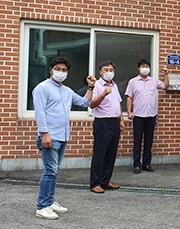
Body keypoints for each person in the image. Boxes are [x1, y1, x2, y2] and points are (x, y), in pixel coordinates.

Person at [33, 57, 96, 219]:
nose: (61, 72)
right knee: (50, 171)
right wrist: (44, 133)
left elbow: (84, 102)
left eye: (64, 70)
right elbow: (40, 113)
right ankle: (42, 206)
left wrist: (90, 87)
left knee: (54, 171)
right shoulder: (42, 88)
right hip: (49, 136)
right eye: (58, 69)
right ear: (51, 70)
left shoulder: (66, 91)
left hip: (62, 136)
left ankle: (49, 201)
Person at [125, 59, 170, 174]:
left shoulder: (154, 81)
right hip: (138, 115)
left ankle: (146, 164)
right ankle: (136, 164)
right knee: (137, 141)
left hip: (151, 115)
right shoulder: (133, 82)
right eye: (142, 66)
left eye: (147, 66)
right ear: (138, 68)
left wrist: (166, 74)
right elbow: (129, 97)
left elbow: (165, 86)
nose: (145, 68)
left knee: (149, 141)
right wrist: (129, 112)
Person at [89, 61, 125, 193]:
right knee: (100, 153)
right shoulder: (97, 85)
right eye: (106, 69)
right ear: (100, 72)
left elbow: (118, 103)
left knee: (111, 153)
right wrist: (103, 93)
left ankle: (105, 181)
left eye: (111, 69)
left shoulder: (114, 85)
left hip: (114, 122)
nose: (109, 72)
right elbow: (92, 104)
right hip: (102, 122)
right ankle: (95, 183)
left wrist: (121, 119)